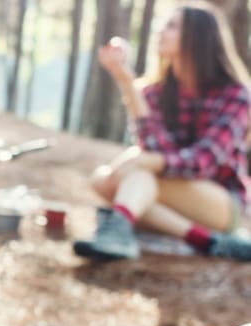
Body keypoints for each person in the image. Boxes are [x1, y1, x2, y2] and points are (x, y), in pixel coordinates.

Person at [75, 2, 251, 262]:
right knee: (103, 180)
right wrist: (125, 80)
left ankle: (120, 225)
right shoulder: (155, 91)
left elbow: (204, 160)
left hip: (221, 201)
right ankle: (203, 239)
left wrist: (148, 160)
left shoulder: (235, 95)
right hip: (167, 190)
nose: (160, 31)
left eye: (172, 26)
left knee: (118, 178)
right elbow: (153, 146)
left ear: (198, 38)